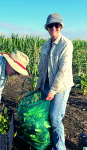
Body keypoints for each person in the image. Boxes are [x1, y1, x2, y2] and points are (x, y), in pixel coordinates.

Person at [35, 13, 74, 150]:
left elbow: (63, 70)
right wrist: (39, 84)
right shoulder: (46, 45)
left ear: (61, 27)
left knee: (55, 118)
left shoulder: (66, 44)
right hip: (47, 83)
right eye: (51, 25)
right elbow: (42, 67)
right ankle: (48, 142)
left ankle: (60, 147)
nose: (54, 28)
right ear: (47, 28)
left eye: (57, 25)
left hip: (61, 86)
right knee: (45, 115)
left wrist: (52, 91)